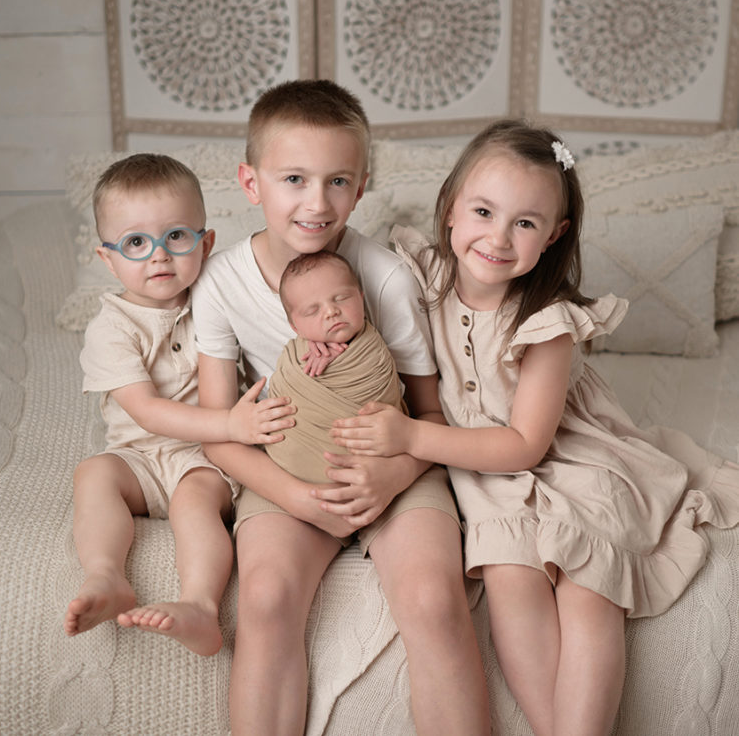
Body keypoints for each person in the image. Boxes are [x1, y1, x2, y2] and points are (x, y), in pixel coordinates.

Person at [330, 119, 739, 736]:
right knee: (511, 579)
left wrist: (411, 437)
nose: (498, 237)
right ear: (450, 208)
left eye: (524, 222)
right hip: (485, 474)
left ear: (555, 235)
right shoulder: (417, 279)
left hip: (568, 458)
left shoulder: (548, 321)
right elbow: (335, 291)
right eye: (483, 211)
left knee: (589, 584)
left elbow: (526, 445)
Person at [192, 80, 490, 735]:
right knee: (265, 598)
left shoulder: (383, 276)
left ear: (360, 189)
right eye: (294, 179)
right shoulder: (221, 284)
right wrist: (296, 498)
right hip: (289, 471)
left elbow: (430, 416)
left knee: (434, 599)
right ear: (251, 183)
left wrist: (393, 476)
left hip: (395, 466)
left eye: (337, 181)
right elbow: (219, 432)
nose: (317, 202)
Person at [63, 153, 294, 656]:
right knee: (94, 474)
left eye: (176, 237)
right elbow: (146, 411)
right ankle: (106, 574)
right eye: (135, 243)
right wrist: (231, 423)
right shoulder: (112, 328)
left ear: (206, 244)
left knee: (194, 502)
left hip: (204, 459)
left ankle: (200, 606)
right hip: (139, 460)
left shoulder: (220, 298)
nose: (159, 257)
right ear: (107, 259)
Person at [265, 249, 407, 501]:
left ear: (361, 298)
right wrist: (307, 348)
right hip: (295, 481)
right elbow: (282, 404)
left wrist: (345, 354)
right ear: (295, 327)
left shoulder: (373, 350)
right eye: (312, 311)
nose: (331, 311)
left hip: (378, 473)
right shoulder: (294, 357)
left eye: (341, 298)